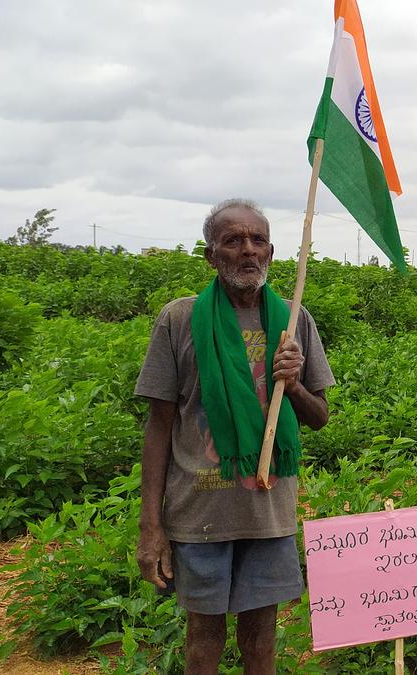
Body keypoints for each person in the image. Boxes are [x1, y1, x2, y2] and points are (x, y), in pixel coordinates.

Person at [134, 198, 334, 673]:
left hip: (268, 512)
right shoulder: (179, 319)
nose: (247, 250)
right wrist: (150, 527)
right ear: (211, 255)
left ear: (271, 251)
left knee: (261, 636)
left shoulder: (293, 319)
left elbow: (320, 416)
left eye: (257, 240)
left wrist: (294, 383)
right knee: (203, 638)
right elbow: (159, 427)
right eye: (232, 240)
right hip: (200, 512)